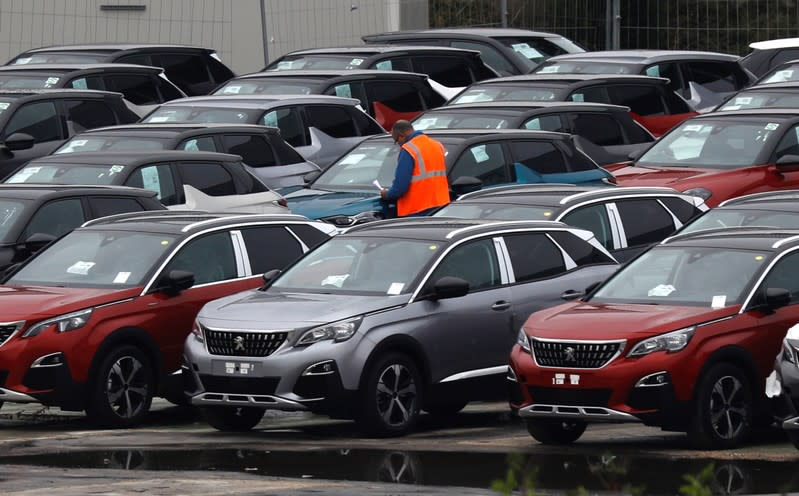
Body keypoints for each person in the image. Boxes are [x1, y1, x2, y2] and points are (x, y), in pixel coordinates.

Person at [380, 120, 450, 217]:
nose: (399, 144)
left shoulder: (409, 149)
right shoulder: (436, 145)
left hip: (417, 210)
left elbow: (400, 187)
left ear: (401, 135)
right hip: (441, 206)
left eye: (396, 140)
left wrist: (387, 194)